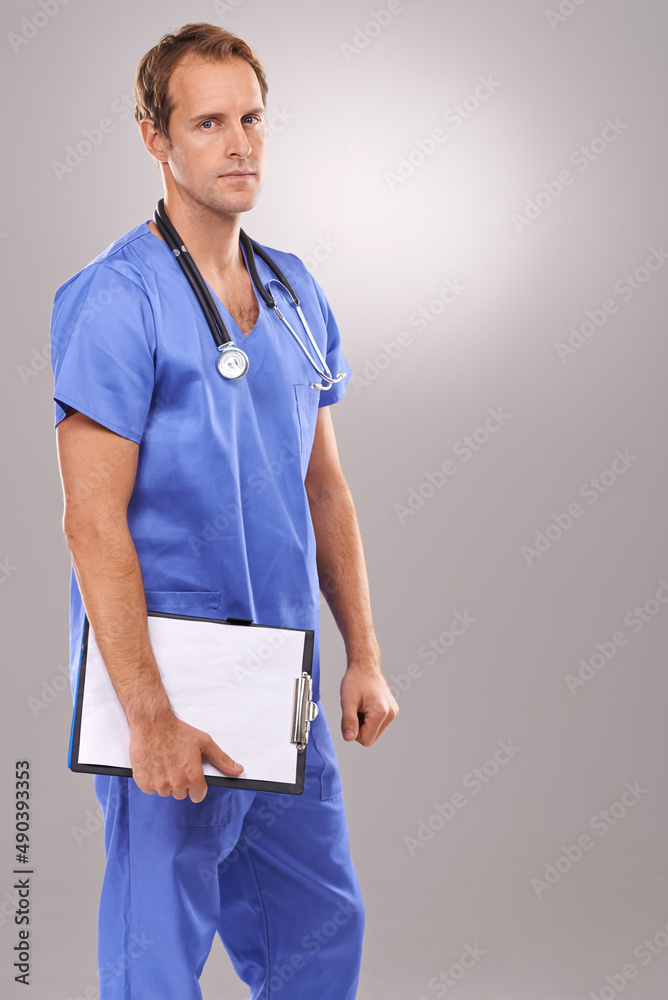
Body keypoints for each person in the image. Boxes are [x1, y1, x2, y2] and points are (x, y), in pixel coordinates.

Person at [50, 21, 398, 1000]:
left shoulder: (292, 292)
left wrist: (361, 651)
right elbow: (90, 522)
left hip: (277, 679)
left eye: (251, 117)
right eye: (208, 122)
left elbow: (321, 486)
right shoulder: (116, 301)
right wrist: (149, 713)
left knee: (318, 933)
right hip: (168, 682)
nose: (239, 142)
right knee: (156, 957)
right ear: (155, 138)